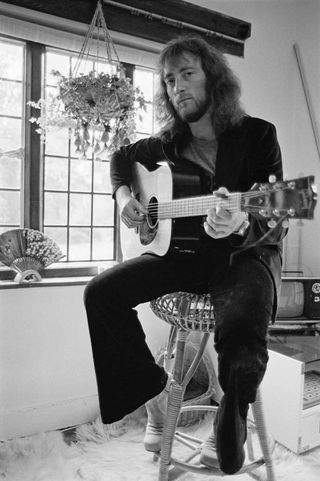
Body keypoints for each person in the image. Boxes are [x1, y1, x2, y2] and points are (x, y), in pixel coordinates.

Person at [84, 35, 286, 475]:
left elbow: (277, 213)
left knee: (243, 322)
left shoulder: (257, 136)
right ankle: (155, 397)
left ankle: (230, 420)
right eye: (170, 79)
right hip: (183, 254)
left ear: (213, 78)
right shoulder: (165, 144)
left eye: (187, 74)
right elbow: (120, 160)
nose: (177, 87)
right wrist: (123, 197)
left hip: (243, 256)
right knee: (100, 294)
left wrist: (240, 223)